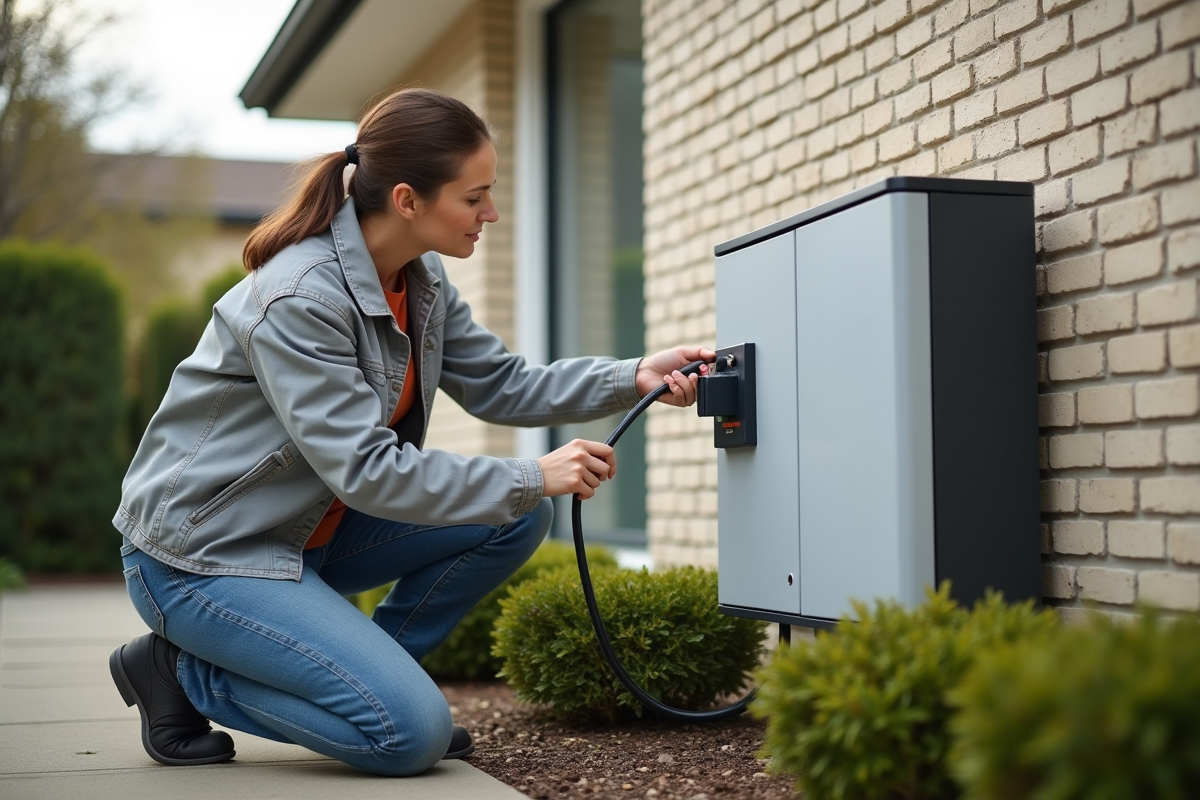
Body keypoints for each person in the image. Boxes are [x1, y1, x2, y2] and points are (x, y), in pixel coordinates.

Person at [108, 87, 712, 777]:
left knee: (514, 515)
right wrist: (532, 474)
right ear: (407, 200)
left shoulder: (419, 279)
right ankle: (182, 672)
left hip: (305, 537)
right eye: (475, 196)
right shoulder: (302, 297)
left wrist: (633, 375)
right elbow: (366, 471)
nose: (491, 213)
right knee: (409, 737)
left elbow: (504, 384)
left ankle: (381, 682)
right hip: (204, 555)